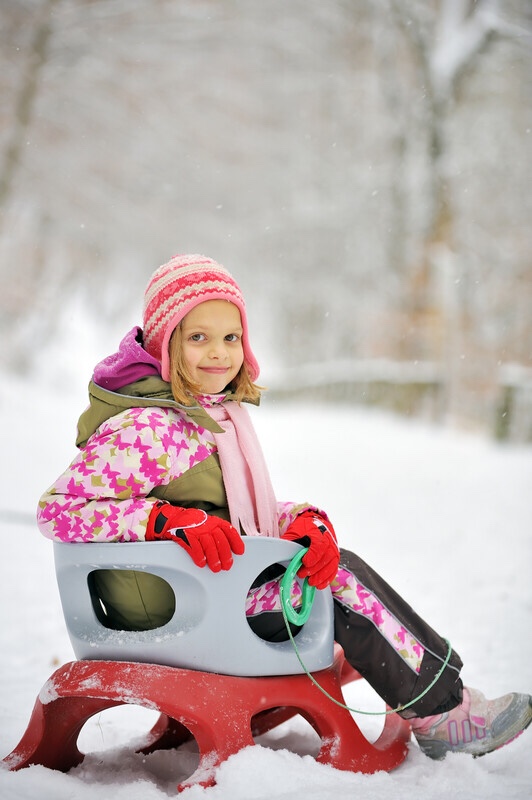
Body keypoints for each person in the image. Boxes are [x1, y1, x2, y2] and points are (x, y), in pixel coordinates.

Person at [37, 253, 531, 760]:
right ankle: (444, 713)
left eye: (231, 338)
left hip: (202, 594)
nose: (219, 354)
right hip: (180, 611)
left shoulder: (204, 417)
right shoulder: (149, 428)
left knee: (327, 569)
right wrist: (164, 520)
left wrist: (301, 520)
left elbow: (232, 509)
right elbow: (58, 510)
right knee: (341, 582)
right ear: (165, 343)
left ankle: (424, 689)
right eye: (198, 337)